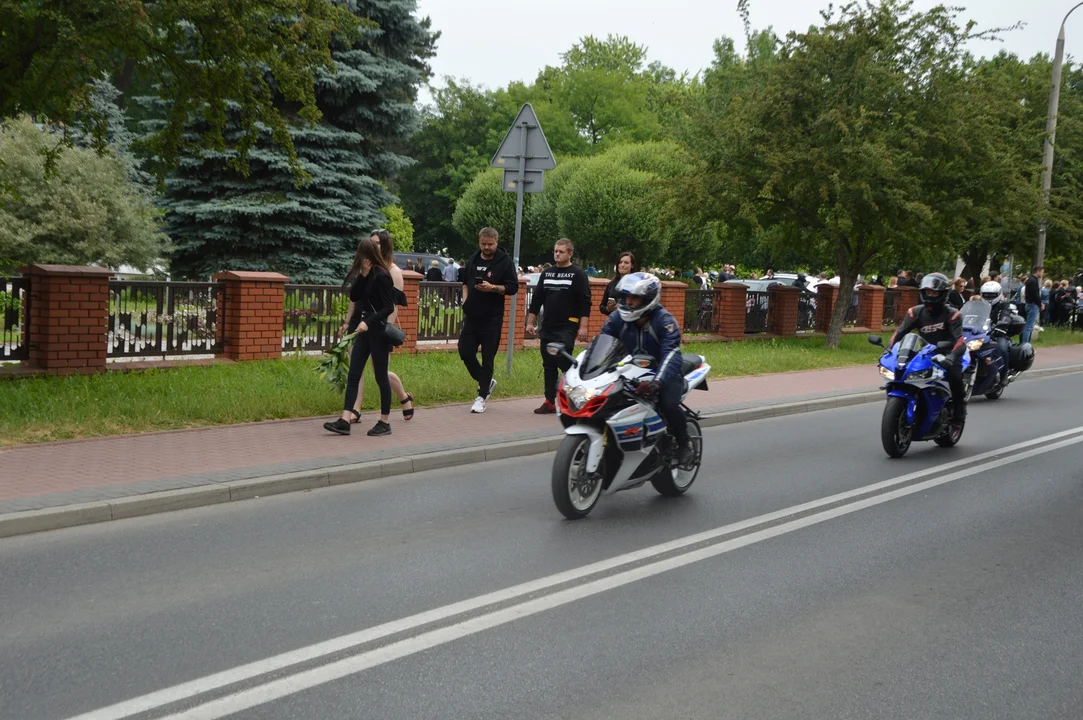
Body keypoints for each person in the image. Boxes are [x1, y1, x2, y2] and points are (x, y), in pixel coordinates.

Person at [600, 272, 693, 466]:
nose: (629, 302)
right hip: (631, 371)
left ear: (648, 299)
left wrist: (658, 382)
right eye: (627, 297)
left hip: (664, 374)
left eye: (634, 298)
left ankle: (684, 444)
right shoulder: (618, 318)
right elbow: (602, 343)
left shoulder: (664, 321)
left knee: (667, 404)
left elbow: (671, 354)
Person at [324, 238, 396, 436]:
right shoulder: (366, 275)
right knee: (354, 374)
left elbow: (388, 307)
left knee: (381, 377)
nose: (362, 260)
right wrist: (363, 276)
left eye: (364, 256)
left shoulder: (382, 275)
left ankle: (384, 421)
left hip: (378, 332)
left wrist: (369, 321)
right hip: (363, 333)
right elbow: (355, 297)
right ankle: (345, 419)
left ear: (370, 255)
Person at [344, 230, 415, 424]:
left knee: (379, 372)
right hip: (360, 322)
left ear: (385, 246)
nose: (373, 246)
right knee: (355, 368)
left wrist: (384, 328)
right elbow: (355, 298)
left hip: (378, 325)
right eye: (371, 242)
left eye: (377, 243)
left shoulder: (392, 271)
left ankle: (404, 397)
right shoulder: (366, 266)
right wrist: (347, 321)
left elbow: (390, 305)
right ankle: (355, 409)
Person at [888, 273, 967, 421]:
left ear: (943, 293)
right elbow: (900, 332)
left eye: (934, 292)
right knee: (901, 373)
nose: (930, 295)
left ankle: (959, 408)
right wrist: (889, 350)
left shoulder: (952, 314)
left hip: (947, 354)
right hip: (923, 353)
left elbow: (960, 341)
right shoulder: (915, 312)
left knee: (955, 377)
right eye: (927, 291)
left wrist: (951, 357)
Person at [526, 238, 592, 414]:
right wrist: (530, 322)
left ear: (570, 253)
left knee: (564, 361)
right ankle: (549, 400)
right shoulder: (547, 273)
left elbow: (585, 302)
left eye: (561, 251)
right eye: (555, 251)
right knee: (548, 365)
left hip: (568, 326)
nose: (557, 254)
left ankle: (577, 397)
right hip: (548, 326)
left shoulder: (578, 274)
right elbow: (537, 299)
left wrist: (583, 327)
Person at [459, 227, 519, 414]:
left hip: (492, 317)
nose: (486, 247)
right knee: (465, 351)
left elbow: (513, 287)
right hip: (472, 315)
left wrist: (493, 288)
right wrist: (465, 300)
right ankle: (486, 381)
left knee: (487, 357)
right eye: (483, 244)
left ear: (496, 242)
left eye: (490, 244)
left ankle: (482, 396)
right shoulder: (473, 259)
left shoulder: (504, 261)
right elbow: (465, 282)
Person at [979, 280, 1012, 383]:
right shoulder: (978, 304)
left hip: (997, 332)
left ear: (998, 294)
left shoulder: (1003, 304)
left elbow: (1006, 315)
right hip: (980, 333)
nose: (989, 296)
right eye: (986, 294)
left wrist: (1002, 323)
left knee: (1002, 348)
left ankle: (1004, 375)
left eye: (992, 294)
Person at [1022, 266, 1044, 343]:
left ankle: (1025, 342)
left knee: (1028, 325)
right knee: (1029, 326)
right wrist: (1040, 303)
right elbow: (1035, 294)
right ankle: (1025, 344)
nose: (1042, 274)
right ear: (1038, 271)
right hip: (1033, 305)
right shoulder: (1033, 281)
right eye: (1042, 272)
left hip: (1029, 303)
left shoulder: (1030, 280)